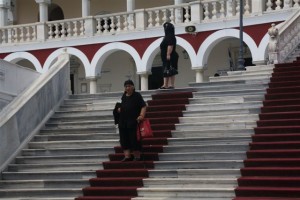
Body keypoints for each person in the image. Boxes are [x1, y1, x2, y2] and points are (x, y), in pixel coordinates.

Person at [117, 79, 147, 162]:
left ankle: (137, 156)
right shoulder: (124, 96)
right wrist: (120, 109)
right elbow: (123, 104)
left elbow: (143, 106)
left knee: (134, 139)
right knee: (124, 139)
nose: (127, 88)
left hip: (133, 121)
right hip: (123, 122)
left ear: (133, 87)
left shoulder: (137, 95)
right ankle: (127, 156)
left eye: (129, 86)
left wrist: (141, 115)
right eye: (126, 86)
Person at [160, 22, 179, 89]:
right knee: (165, 70)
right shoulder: (166, 37)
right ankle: (165, 84)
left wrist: (168, 54)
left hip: (170, 56)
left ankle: (171, 84)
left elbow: (170, 45)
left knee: (171, 70)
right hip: (166, 57)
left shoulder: (170, 36)